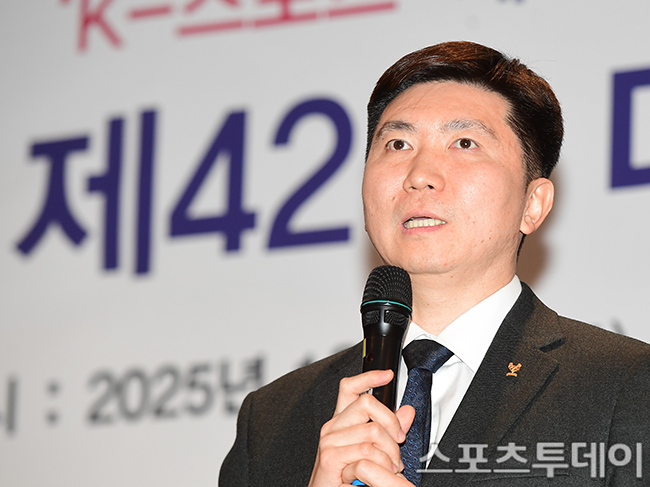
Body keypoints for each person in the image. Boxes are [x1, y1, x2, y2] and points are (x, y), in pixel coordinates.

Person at [219, 41, 650, 486]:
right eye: (398, 144)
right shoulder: (272, 420)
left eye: (464, 143)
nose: (420, 174)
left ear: (533, 204)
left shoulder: (624, 385)